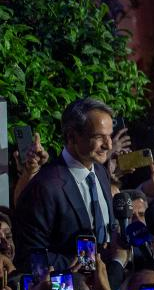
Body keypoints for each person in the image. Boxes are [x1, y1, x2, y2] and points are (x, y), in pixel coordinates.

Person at [14, 98, 115, 270]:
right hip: (69, 285)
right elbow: (28, 255)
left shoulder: (100, 172)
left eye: (110, 136)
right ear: (71, 136)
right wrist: (77, 263)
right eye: (98, 137)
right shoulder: (45, 186)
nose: (108, 145)